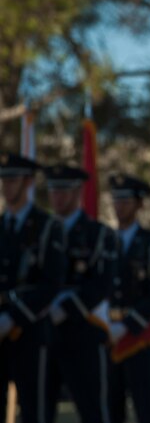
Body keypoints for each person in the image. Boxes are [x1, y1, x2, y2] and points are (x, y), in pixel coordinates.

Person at [44, 164, 117, 423]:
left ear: (78, 193)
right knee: (39, 409)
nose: (57, 197)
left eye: (63, 191)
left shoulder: (98, 234)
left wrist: (65, 309)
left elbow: (101, 284)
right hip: (44, 333)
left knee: (92, 410)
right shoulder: (41, 231)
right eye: (53, 191)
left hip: (84, 331)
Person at [0, 152, 66, 423]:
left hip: (32, 332)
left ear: (28, 182)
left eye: (12, 180)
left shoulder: (47, 226)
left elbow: (52, 283)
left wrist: (12, 317)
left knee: (35, 411)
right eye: (3, 180)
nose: (5, 186)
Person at [107, 173, 150, 423]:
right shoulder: (106, 240)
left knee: (147, 408)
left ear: (139, 204)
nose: (119, 206)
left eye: (125, 201)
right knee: (111, 408)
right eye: (116, 200)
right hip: (108, 334)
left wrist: (127, 324)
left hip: (141, 336)